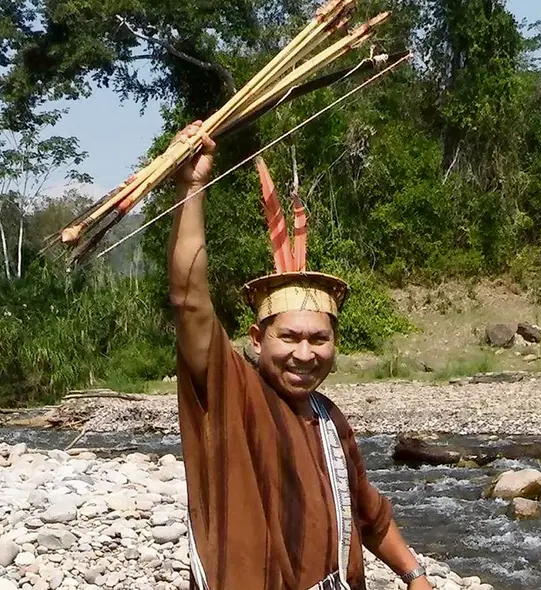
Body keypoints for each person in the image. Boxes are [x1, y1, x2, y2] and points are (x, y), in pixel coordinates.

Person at [168, 120, 434, 590]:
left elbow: (368, 513)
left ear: (335, 345)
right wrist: (191, 189)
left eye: (319, 339)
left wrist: (414, 575)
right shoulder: (231, 392)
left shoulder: (330, 419)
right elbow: (190, 301)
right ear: (256, 338)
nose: (304, 354)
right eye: (289, 337)